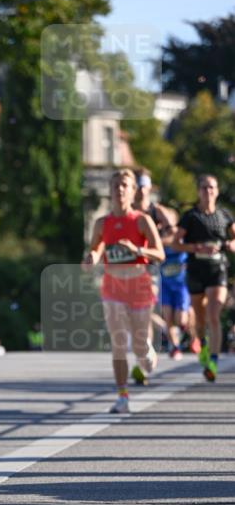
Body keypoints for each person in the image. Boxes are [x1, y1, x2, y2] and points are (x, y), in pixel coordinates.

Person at [82, 168, 165, 414]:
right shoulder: (102, 223)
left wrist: (138, 250)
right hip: (113, 287)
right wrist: (92, 258)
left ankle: (146, 352)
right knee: (118, 341)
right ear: (110, 190)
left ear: (132, 191)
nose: (119, 189)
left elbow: (159, 253)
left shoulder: (141, 220)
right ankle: (122, 396)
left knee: (138, 345)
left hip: (138, 286)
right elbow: (97, 249)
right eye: (116, 184)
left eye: (125, 185)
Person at [173, 175, 235, 381]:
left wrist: (231, 245)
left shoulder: (225, 215)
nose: (208, 191)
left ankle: (213, 362)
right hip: (195, 269)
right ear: (198, 191)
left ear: (217, 191)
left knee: (213, 314)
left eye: (212, 187)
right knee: (200, 320)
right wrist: (197, 247)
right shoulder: (190, 216)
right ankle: (203, 346)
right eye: (204, 187)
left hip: (217, 269)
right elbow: (175, 243)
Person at [134, 171, 190, 359]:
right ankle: (150, 348)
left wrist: (154, 239)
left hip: (152, 267)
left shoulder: (156, 211)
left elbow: (174, 235)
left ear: (149, 187)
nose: (140, 190)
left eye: (144, 186)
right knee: (139, 314)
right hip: (131, 268)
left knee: (145, 309)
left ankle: (150, 351)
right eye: (137, 185)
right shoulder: (127, 211)